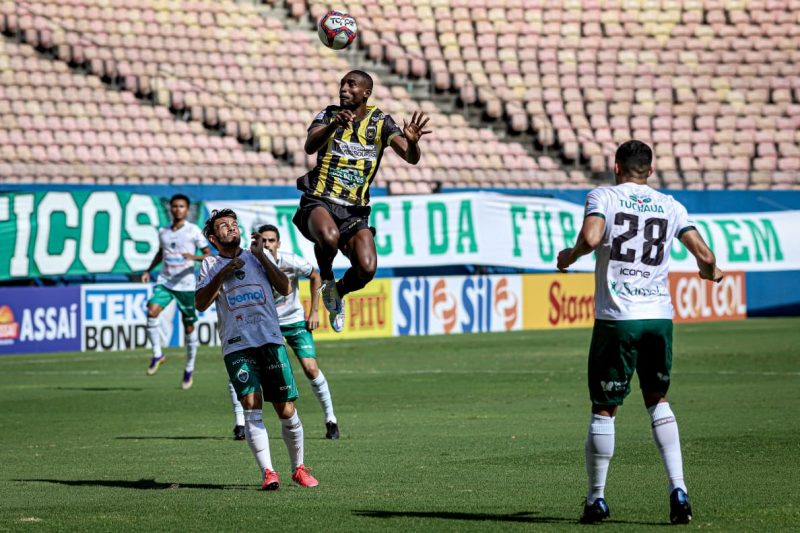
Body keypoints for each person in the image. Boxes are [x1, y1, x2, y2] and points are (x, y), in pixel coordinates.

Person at [556, 140, 723, 525]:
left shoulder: (604, 196)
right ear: (649, 170)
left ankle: (596, 498)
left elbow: (593, 238)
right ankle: (678, 490)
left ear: (616, 167)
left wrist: (570, 255)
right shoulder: (670, 205)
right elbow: (707, 257)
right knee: (657, 399)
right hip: (659, 318)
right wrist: (709, 272)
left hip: (618, 318)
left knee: (604, 408)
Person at [293, 70, 431, 332]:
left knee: (367, 269)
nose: (344, 88)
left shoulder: (381, 122)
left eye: (351, 84)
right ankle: (328, 278)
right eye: (342, 83)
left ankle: (339, 292)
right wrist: (334, 125)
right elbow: (310, 147)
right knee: (329, 237)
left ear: (366, 92)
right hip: (319, 199)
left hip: (355, 210)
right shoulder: (328, 114)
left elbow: (411, 158)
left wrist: (412, 143)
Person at [196, 208, 318, 490]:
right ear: (214, 237)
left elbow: (286, 287)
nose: (231, 228)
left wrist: (263, 255)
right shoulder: (209, 264)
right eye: (224, 226)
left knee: (286, 409)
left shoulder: (257, 257)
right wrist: (223, 272)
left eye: (234, 224)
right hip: (237, 346)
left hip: (270, 341)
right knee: (251, 405)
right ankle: (268, 472)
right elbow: (200, 303)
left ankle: (298, 467)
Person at [227, 224, 340, 440]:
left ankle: (331, 419)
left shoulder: (290, 261)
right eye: (264, 240)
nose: (267, 244)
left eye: (271, 240)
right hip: (263, 324)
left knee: (310, 368)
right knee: (242, 367)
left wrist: (314, 311)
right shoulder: (249, 263)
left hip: (294, 319)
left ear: (278, 243)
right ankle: (240, 423)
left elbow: (315, 276)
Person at [141, 194, 210, 389]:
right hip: (166, 281)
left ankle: (189, 367)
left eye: (181, 206)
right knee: (151, 311)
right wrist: (148, 270)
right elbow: (161, 253)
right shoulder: (163, 231)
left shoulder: (193, 231)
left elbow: (208, 255)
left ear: (187, 210)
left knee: (189, 328)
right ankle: (157, 353)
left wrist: (193, 257)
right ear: (170, 209)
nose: (177, 209)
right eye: (174, 206)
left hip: (186, 285)